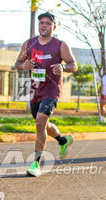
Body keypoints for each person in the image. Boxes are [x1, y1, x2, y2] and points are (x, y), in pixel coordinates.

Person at [15, 12, 78, 177]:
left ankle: (36, 163)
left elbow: (74, 65)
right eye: (42, 23)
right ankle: (63, 140)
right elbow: (17, 63)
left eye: (48, 23)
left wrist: (63, 67)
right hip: (35, 89)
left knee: (40, 122)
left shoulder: (60, 45)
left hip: (51, 90)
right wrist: (24, 65)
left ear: (54, 26)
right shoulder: (29, 44)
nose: (44, 25)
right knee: (42, 123)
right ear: (38, 25)